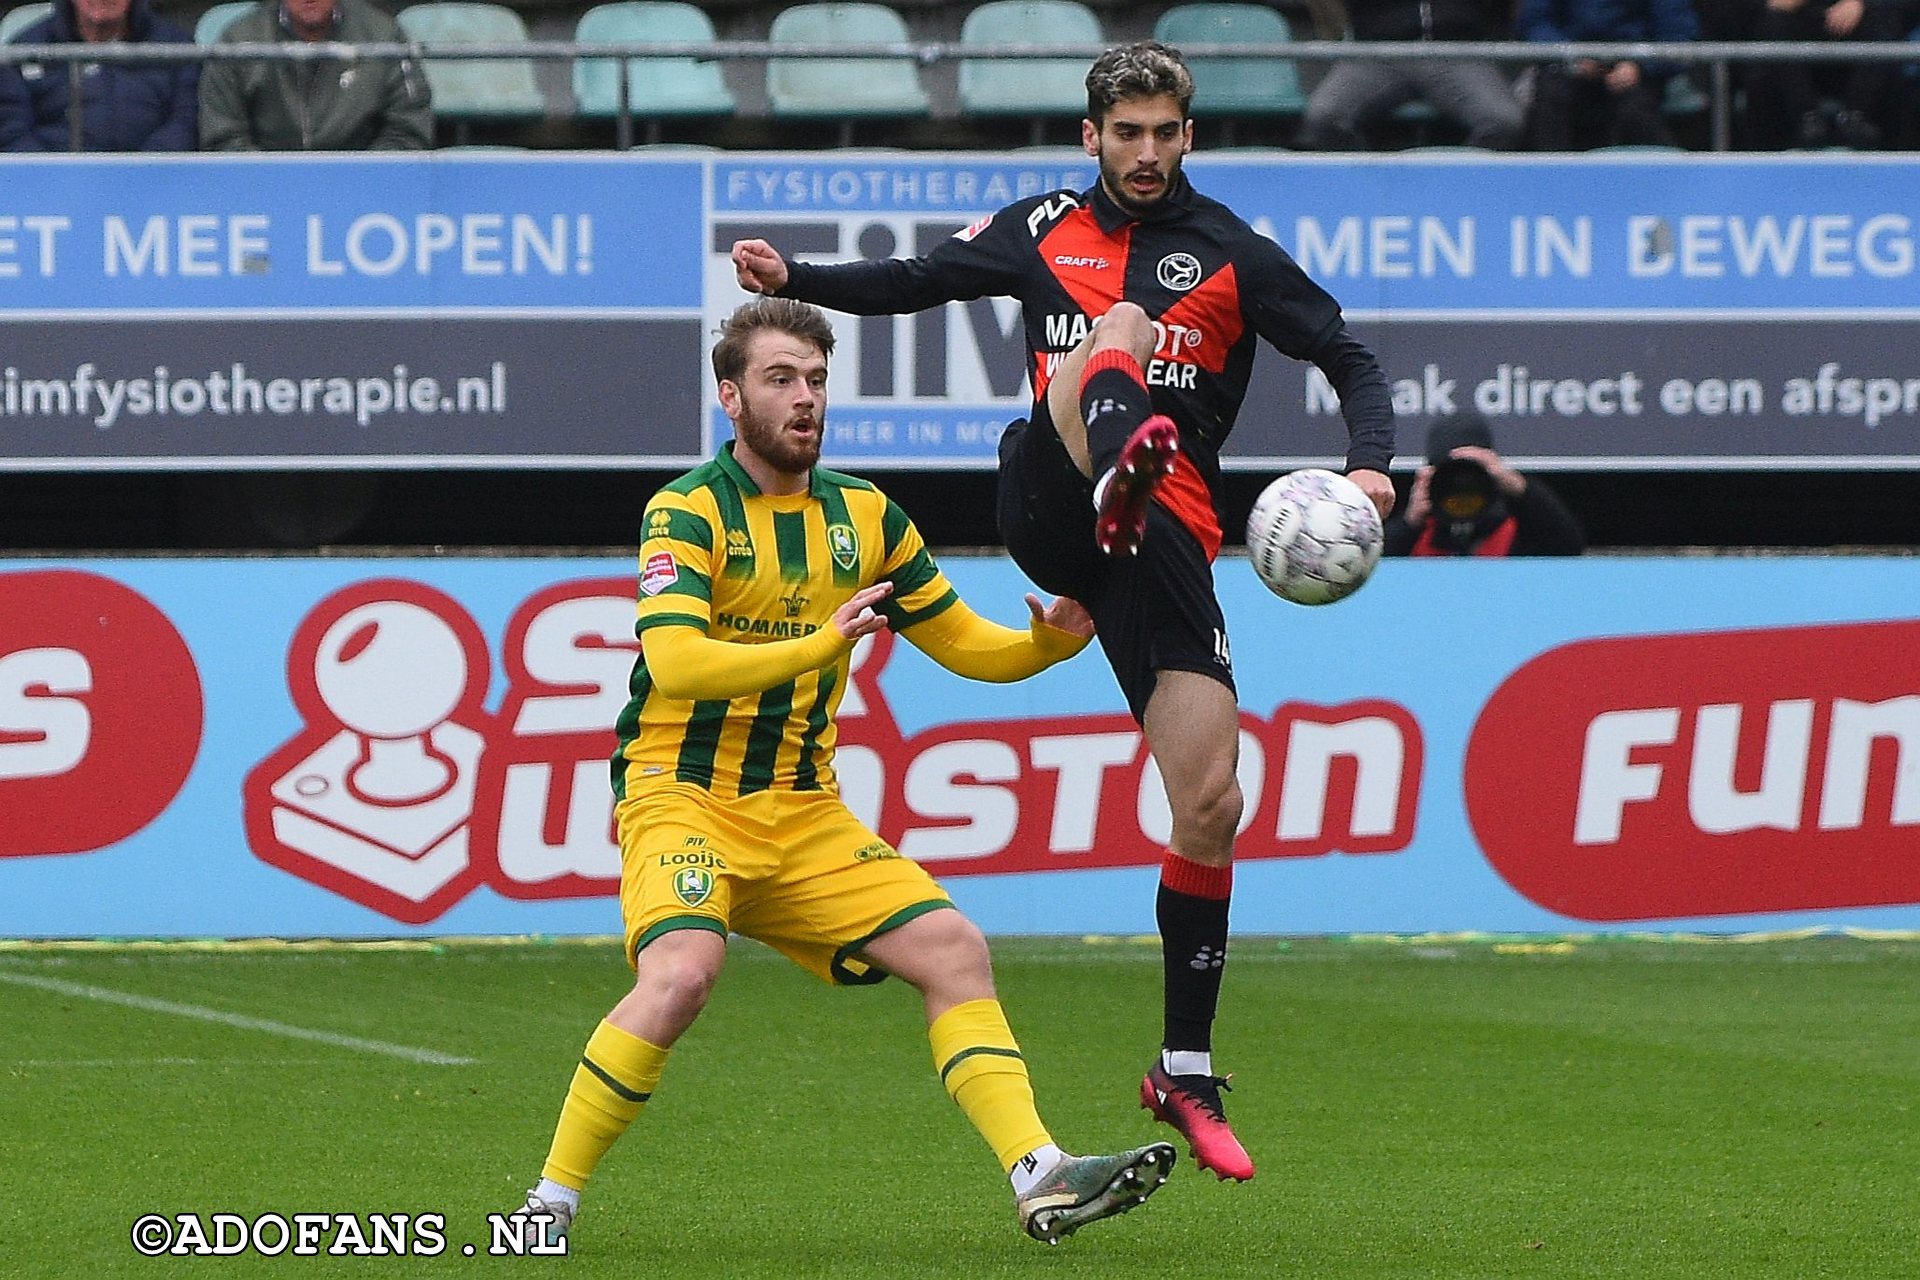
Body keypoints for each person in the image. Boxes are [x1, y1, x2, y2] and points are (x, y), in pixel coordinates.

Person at [731, 41, 1396, 1185]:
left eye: (1165, 133)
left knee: (1212, 800)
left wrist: (1371, 466)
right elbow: (917, 280)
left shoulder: (1233, 250)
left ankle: (1182, 1065)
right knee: (1121, 331)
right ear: (1092, 138)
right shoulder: (1040, 228)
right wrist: (797, 275)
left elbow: (1348, 355)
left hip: (1164, 543)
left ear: (1190, 136)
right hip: (1052, 502)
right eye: (1125, 133)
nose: (1146, 153)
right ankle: (1117, 456)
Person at [506, 297, 1176, 1250]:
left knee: (955, 950)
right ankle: (547, 1207)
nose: (806, 399)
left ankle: (1040, 1172)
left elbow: (966, 646)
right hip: (681, 797)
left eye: (817, 380)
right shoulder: (685, 509)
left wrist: (1047, 645)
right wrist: (821, 643)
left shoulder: (867, 516)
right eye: (782, 379)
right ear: (731, 397)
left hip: (804, 813)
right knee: (684, 974)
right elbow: (683, 664)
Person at [1293, 0, 1526, 151]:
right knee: (1323, 116)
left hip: (1457, 50)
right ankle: (1364, 189)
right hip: (1379, 51)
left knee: (1504, 121)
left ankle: (1459, 186)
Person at [197, 0, 431, 150]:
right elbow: (222, 135)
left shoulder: (383, 34)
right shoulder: (240, 40)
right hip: (264, 190)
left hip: (364, 189)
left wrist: (360, 176)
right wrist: (271, 180)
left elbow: (408, 131)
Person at [0, 0, 197, 151]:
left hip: (154, 186)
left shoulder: (177, 46)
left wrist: (143, 172)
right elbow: (12, 131)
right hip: (51, 190)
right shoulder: (23, 49)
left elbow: (186, 122)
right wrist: (57, 178)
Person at [1383, 413, 1587, 556]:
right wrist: (1408, 524)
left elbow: (1568, 546)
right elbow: (1368, 567)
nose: (1461, 487)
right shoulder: (1418, 533)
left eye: (1469, 473)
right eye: (1449, 473)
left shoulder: (1512, 530)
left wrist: (1513, 484)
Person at [1516, 0, 1700, 150]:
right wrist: (1571, 56)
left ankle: (1662, 184)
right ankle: (1552, 181)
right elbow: (1535, 23)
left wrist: (1640, 66)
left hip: (1637, 71)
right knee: (1551, 99)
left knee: (1636, 113)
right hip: (1570, 66)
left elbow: (1678, 33)